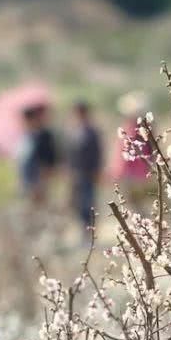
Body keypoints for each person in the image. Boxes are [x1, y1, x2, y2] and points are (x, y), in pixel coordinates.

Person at [110, 91, 152, 210]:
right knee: (138, 206)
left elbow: (124, 153)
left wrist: (118, 172)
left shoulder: (134, 128)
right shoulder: (141, 127)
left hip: (135, 174)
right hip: (140, 173)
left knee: (137, 206)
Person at [68, 100, 103, 238]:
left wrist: (97, 170)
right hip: (76, 174)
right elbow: (69, 154)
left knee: (89, 204)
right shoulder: (72, 132)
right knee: (78, 204)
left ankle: (90, 232)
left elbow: (98, 152)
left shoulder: (92, 132)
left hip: (89, 174)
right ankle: (83, 231)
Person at [18, 104, 59, 203]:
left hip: (40, 171)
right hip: (29, 173)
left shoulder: (44, 134)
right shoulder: (27, 135)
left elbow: (49, 154)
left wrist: (48, 169)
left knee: (40, 197)